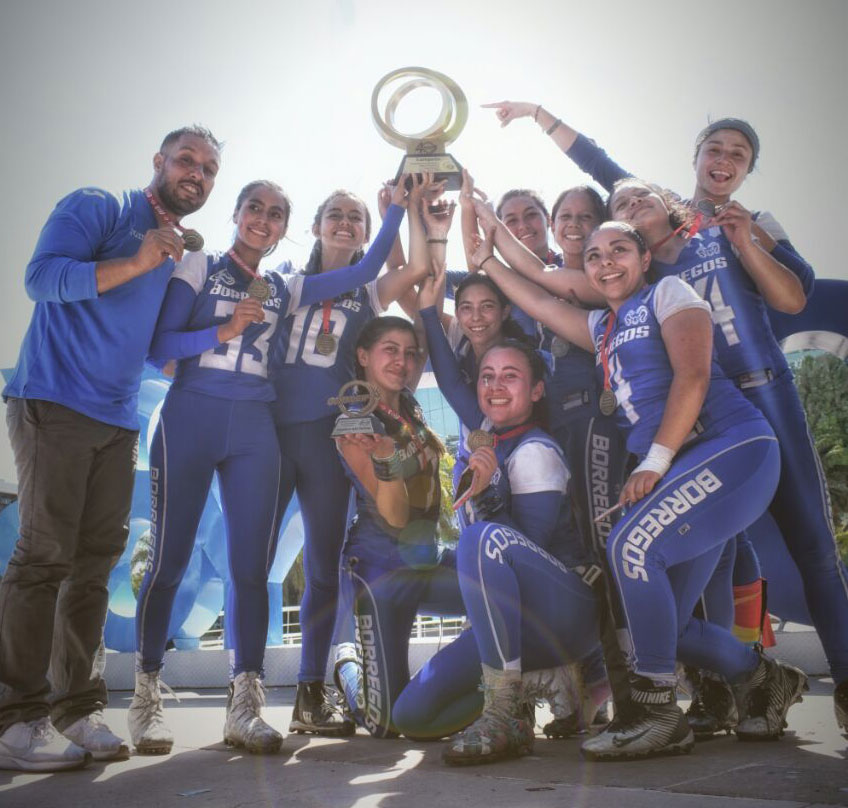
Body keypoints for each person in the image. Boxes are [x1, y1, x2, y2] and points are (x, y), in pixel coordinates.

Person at [485, 100, 848, 734]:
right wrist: (533, 129)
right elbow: (553, 279)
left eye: (737, 152)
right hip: (693, 420)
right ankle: (734, 685)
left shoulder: (733, 226)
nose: (723, 160)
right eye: (714, 148)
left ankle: (841, 680)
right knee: (706, 553)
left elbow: (793, 295)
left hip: (753, 399)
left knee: (811, 546)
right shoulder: (631, 272)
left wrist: (746, 241)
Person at [470, 207, 807, 760]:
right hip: (691, 473)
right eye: (595, 256)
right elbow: (539, 300)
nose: (605, 263)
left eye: (619, 251)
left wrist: (652, 461)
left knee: (630, 545)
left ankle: (656, 715)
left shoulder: (668, 293)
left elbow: (694, 375)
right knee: (659, 626)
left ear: (644, 258)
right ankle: (765, 680)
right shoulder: (600, 327)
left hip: (733, 449)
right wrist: (486, 250)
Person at [0, 126, 221, 771]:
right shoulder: (97, 207)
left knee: (95, 565)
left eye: (209, 169)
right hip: (54, 402)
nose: (197, 175)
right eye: (187, 161)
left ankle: (75, 709)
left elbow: (156, 347)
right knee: (43, 558)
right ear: (158, 162)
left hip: (118, 418)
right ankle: (17, 719)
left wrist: (222, 331)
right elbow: (40, 279)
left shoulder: (177, 252)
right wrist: (137, 259)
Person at [391, 332, 604, 764]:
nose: (495, 386)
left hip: (563, 615)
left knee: (480, 537)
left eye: (511, 376)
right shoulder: (480, 444)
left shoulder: (535, 451)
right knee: (412, 715)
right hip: (509, 624)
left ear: (537, 390)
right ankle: (522, 692)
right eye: (487, 376)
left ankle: (504, 708)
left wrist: (488, 496)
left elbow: (521, 555)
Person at [271, 176, 430, 736]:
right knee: (251, 565)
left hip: (327, 440)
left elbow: (416, 272)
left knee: (323, 566)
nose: (345, 222)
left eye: (357, 217)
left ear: (367, 233)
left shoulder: (369, 291)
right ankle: (242, 699)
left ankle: (310, 692)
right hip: (269, 436)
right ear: (315, 225)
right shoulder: (286, 282)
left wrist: (407, 208)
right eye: (335, 214)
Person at [334, 316, 464, 739]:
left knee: (503, 592)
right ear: (363, 356)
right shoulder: (356, 422)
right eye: (390, 349)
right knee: (385, 723)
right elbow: (393, 516)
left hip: (427, 558)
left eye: (409, 353)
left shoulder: (406, 403)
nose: (403, 360)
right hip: (380, 572)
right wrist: (387, 458)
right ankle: (348, 670)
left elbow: (425, 298)